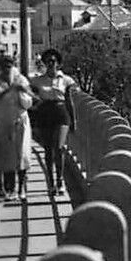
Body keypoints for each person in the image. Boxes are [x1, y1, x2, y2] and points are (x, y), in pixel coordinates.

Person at [29, 49, 78, 197]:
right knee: (48, 151)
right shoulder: (37, 81)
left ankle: (60, 180)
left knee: (59, 147)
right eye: (48, 61)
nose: (51, 64)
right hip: (45, 114)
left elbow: (69, 101)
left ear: (58, 63)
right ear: (44, 63)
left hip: (61, 113)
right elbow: (31, 98)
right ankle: (50, 183)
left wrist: (74, 120)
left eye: (53, 61)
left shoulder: (66, 80)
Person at [0, 60, 33, 202]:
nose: (7, 69)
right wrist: (8, 90)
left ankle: (22, 188)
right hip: (3, 121)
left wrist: (19, 92)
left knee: (22, 154)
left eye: (9, 66)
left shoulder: (21, 80)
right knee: (7, 156)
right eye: (4, 67)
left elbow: (28, 103)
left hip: (20, 121)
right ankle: (10, 189)